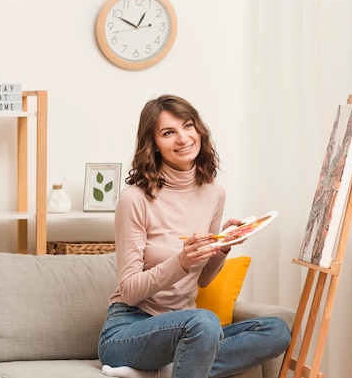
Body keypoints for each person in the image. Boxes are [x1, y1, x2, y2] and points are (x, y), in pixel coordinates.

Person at [97, 94, 291, 378]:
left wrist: (223, 246)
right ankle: (175, 365)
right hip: (130, 328)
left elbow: (203, 279)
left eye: (188, 126)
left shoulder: (213, 192)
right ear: (154, 145)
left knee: (276, 330)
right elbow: (129, 290)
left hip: (191, 333)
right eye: (168, 133)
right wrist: (181, 261)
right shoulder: (134, 199)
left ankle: (167, 370)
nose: (183, 138)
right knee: (204, 321)